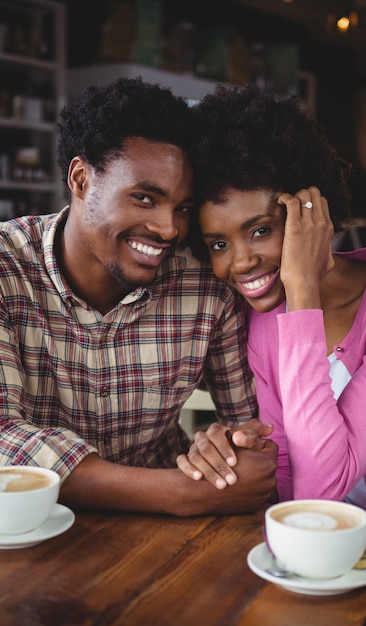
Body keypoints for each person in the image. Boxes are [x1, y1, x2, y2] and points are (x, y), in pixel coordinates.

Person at [0, 77, 277, 516]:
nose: (169, 229)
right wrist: (176, 494)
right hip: (28, 529)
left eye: (183, 209)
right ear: (80, 179)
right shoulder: (6, 267)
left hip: (168, 536)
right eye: (145, 197)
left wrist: (230, 444)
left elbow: (254, 427)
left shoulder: (206, 288)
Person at [176, 83, 366, 526]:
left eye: (260, 230)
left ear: (311, 211)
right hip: (316, 548)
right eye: (217, 243)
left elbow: (322, 489)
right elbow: (290, 482)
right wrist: (246, 450)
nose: (241, 261)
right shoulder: (265, 322)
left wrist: (303, 287)